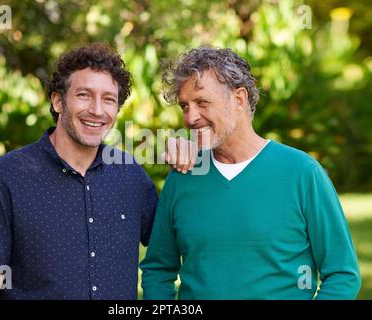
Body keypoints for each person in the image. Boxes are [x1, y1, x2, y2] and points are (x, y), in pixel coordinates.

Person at [140, 46, 361, 300]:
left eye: (202, 103)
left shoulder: (302, 173)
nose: (190, 118)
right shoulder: (182, 177)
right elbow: (158, 269)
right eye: (184, 106)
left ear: (239, 100)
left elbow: (342, 274)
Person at [0, 43, 159, 300]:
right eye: (84, 95)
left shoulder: (132, 177)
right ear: (58, 101)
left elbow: (182, 246)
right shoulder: (2, 179)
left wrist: (192, 160)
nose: (97, 110)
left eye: (108, 99)